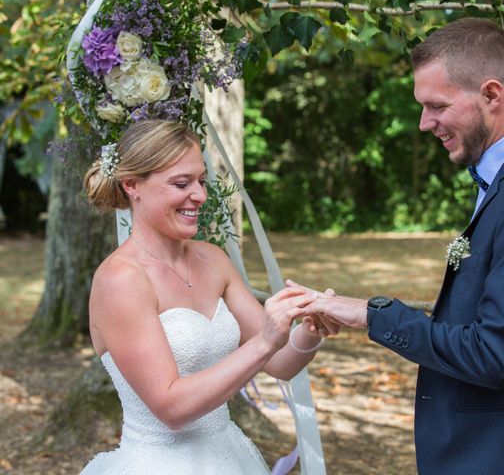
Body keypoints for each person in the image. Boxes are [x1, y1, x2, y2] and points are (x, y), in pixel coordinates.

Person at [296, 17, 504, 474]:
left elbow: (491, 353)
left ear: (492, 94)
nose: (425, 123)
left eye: (437, 105)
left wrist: (370, 314)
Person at [80, 119, 333, 474]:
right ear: (132, 185)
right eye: (181, 183)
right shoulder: (120, 280)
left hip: (229, 456)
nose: (199, 195)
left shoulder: (212, 259)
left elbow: (281, 363)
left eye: (200, 180)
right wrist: (263, 342)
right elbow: (171, 408)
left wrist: (310, 327)